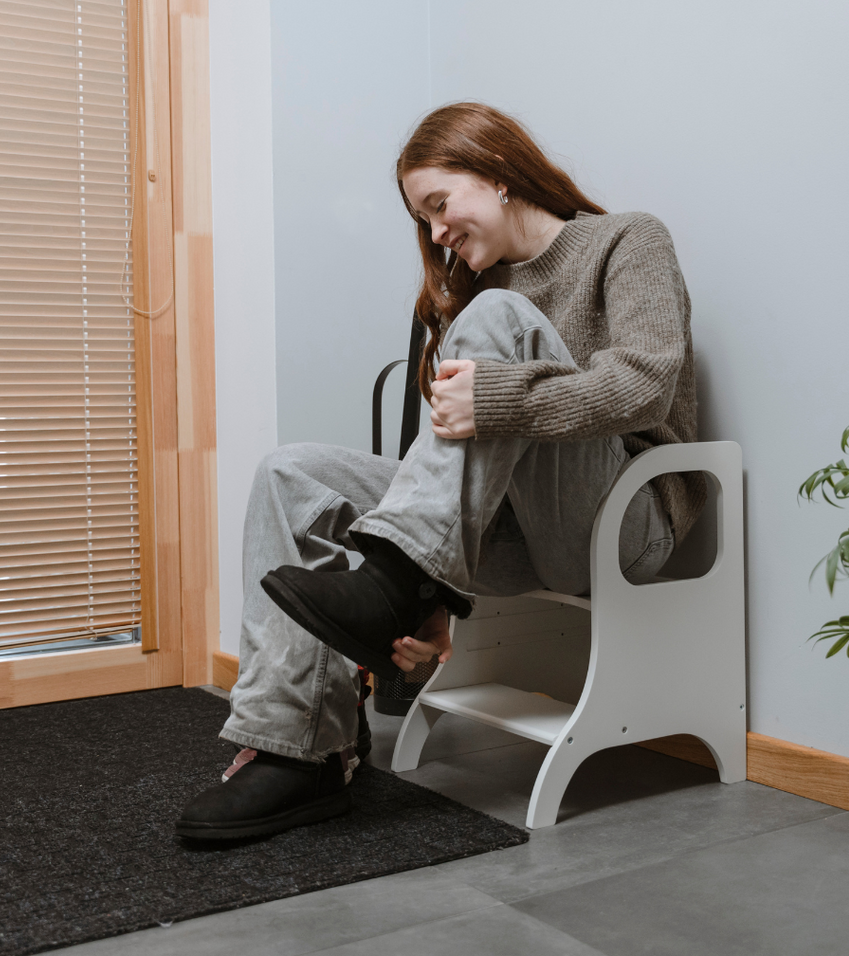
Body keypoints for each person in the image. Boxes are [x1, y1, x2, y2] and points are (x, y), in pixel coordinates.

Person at [175, 102, 705, 840]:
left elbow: (644, 384)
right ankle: (297, 752)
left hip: (622, 523)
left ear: (496, 173)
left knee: (495, 320)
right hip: (512, 532)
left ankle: (399, 579)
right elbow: (459, 465)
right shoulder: (478, 295)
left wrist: (494, 393)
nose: (436, 233)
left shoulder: (626, 240)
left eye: (439, 205)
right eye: (422, 220)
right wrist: (436, 597)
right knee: (289, 473)